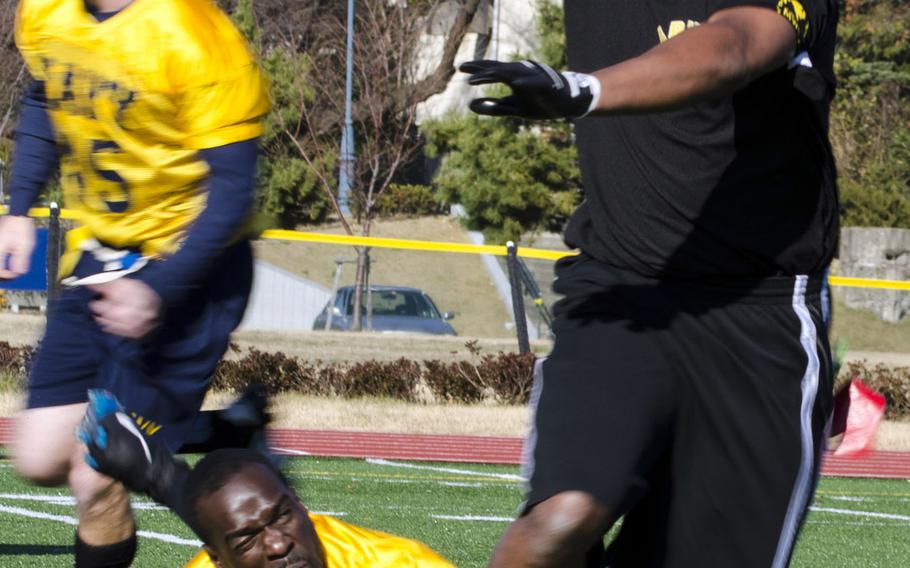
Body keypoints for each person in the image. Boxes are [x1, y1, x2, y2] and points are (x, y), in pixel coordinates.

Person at [460, 1, 838, 566]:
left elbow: (732, 46)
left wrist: (583, 90)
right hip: (621, 292)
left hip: (762, 322)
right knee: (560, 518)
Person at [1, 0, 270, 566]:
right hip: (100, 259)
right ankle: (223, 432)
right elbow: (44, 97)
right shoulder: (47, 10)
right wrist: (18, 206)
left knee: (97, 465)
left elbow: (233, 189)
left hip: (189, 270)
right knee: (38, 457)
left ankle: (210, 498)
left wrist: (159, 288)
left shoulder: (194, 32)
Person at [77, 390, 456, 568]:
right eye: (247, 539)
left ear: (303, 507)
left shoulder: (400, 564)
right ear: (218, 562)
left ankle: (157, 468)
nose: (277, 545)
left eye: (282, 518)